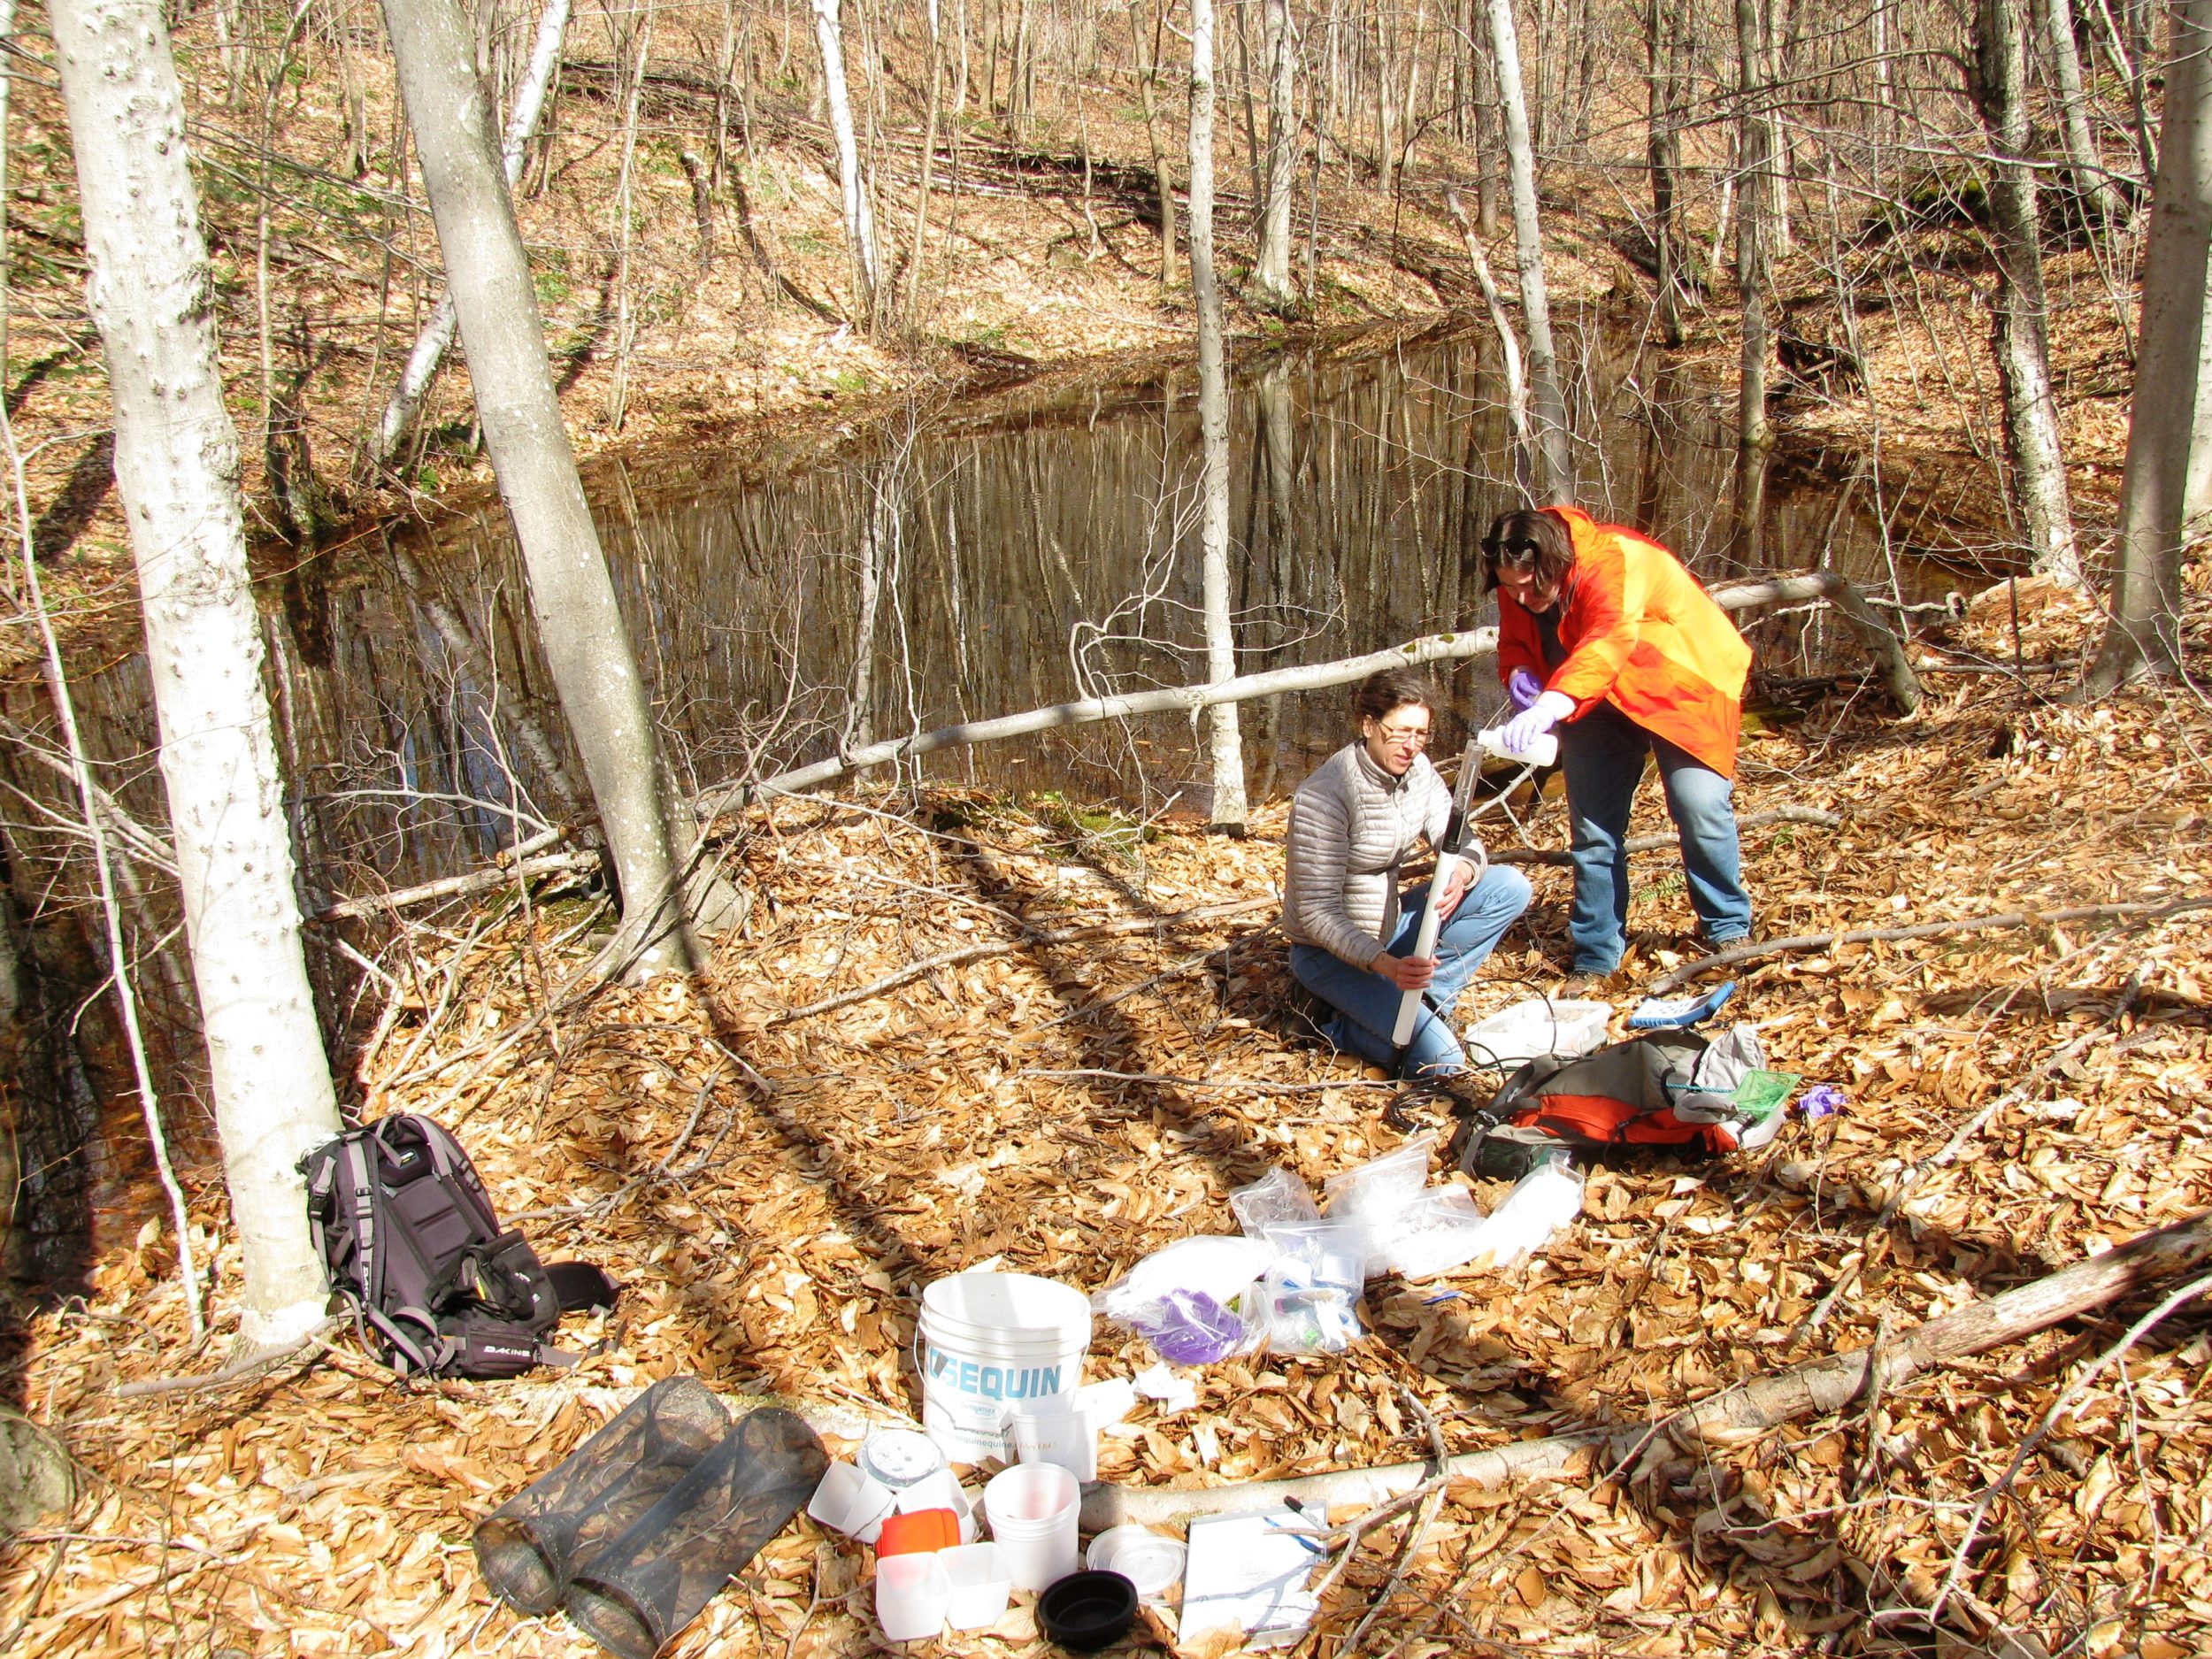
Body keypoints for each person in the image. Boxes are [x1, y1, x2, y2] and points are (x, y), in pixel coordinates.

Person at [1484, 503, 1754, 984]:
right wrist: (1521, 673)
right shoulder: (1518, 576)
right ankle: (1596, 955)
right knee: (1593, 828)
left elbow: (1608, 639)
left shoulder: (1614, 559)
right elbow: (1516, 641)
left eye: (1529, 585)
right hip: (1591, 697)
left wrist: (1552, 704)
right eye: (1510, 587)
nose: (1521, 596)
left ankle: (1728, 928)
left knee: (1699, 806)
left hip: (1680, 686)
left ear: (1556, 560)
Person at [1283, 667, 1533, 1078]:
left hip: (1391, 923)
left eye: (1421, 733)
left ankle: (1428, 1003)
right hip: (1329, 953)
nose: (1411, 745)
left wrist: (1463, 871)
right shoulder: (1326, 794)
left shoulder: (1418, 771)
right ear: (1368, 724)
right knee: (1443, 1063)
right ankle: (1329, 1026)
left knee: (1507, 887)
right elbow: (1315, 913)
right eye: (1399, 731)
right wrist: (1386, 966)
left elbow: (1458, 836)